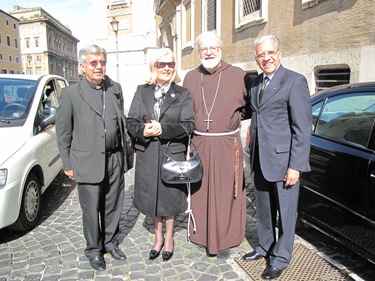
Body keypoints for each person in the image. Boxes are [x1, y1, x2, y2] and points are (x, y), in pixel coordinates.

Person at [242, 34, 311, 280]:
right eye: (261, 55)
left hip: (285, 163)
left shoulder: (294, 81)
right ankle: (264, 247)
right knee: (263, 209)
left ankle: (280, 258)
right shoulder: (254, 83)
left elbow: (302, 129)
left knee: (286, 211)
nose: (266, 58)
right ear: (256, 59)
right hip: (260, 158)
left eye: (270, 53)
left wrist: (296, 166)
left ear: (279, 53)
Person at [56, 44, 129, 271]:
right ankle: (94, 250)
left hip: (114, 158)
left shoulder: (114, 88)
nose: (99, 67)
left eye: (102, 62)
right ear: (82, 66)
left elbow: (120, 120)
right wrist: (67, 164)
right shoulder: (70, 93)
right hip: (86, 162)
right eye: (93, 63)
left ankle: (110, 242)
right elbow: (63, 132)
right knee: (91, 210)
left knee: (113, 205)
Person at [183, 31, 249, 259]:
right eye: (204, 49)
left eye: (213, 48)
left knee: (227, 192)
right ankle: (202, 235)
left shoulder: (239, 75)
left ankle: (226, 238)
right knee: (201, 191)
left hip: (227, 145)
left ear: (221, 50)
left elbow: (248, 108)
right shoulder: (191, 77)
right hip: (200, 144)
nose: (209, 52)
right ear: (198, 52)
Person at [126, 48, 194, 262]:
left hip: (172, 153)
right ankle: (157, 238)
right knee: (151, 198)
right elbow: (131, 122)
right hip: (147, 153)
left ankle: (170, 238)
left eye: (170, 64)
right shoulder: (142, 91)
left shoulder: (182, 94)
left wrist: (162, 128)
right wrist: (143, 131)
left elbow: (188, 126)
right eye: (161, 64)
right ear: (153, 67)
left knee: (170, 197)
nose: (166, 68)